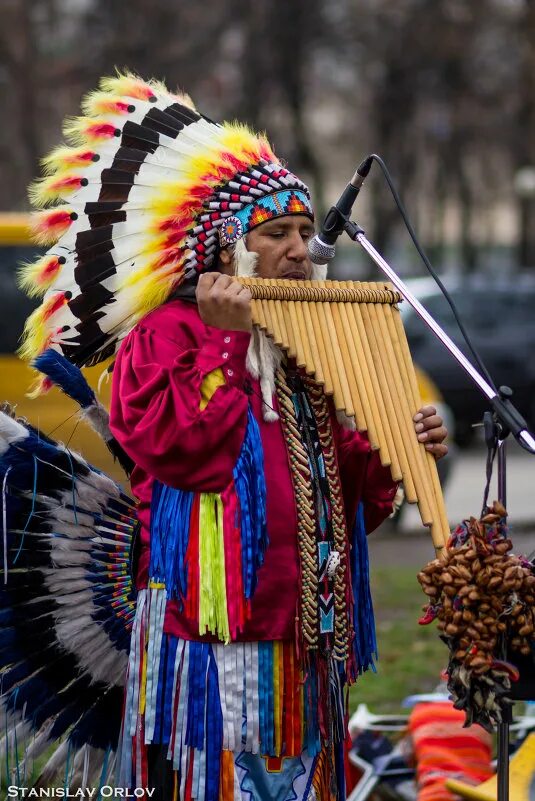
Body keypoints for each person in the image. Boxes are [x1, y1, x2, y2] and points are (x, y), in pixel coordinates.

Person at [14, 73, 447, 800]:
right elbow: (184, 453)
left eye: (306, 234)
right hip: (210, 636)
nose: (300, 250)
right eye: (275, 234)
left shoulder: (310, 344)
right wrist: (224, 344)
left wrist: (395, 455)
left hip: (309, 637)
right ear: (222, 249)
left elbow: (348, 507)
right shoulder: (164, 337)